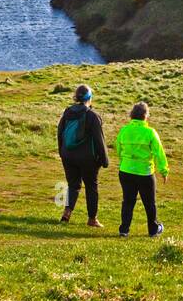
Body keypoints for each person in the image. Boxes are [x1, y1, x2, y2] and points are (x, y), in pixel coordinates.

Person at [56, 84, 108, 227]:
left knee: (73, 185)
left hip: (68, 156)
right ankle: (92, 219)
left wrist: (62, 152)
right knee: (91, 186)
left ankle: (67, 213)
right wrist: (104, 160)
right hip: (87, 159)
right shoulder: (92, 115)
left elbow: (60, 133)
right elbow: (99, 140)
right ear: (89, 98)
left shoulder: (67, 112)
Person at [113, 102, 168, 238]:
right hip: (144, 172)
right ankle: (153, 229)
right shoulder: (150, 132)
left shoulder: (124, 130)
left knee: (128, 201)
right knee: (149, 203)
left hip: (126, 171)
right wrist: (164, 170)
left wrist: (125, 160)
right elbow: (159, 153)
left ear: (132, 115)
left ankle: (124, 229)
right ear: (146, 116)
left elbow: (118, 148)